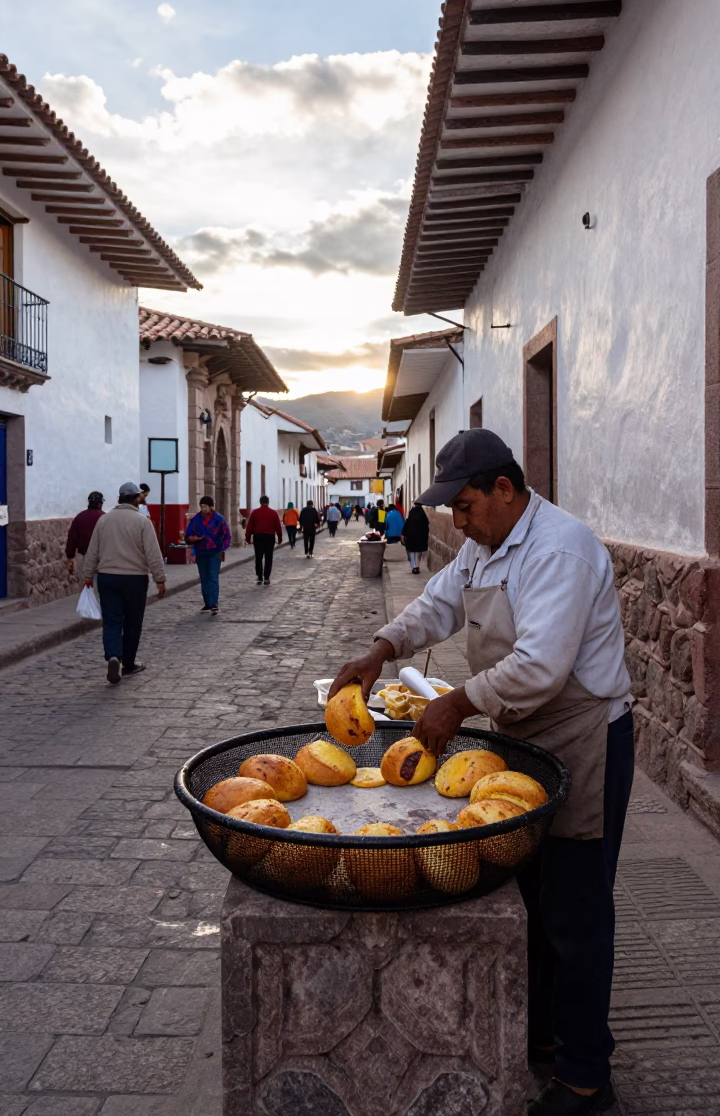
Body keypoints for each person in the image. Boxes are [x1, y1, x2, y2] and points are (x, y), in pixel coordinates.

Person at [328, 428, 634, 1116]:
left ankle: (587, 1078)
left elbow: (541, 667)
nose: (458, 523)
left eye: (465, 507)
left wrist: (458, 705)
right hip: (523, 736)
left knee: (577, 913)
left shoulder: (561, 549)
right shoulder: (485, 544)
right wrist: (382, 647)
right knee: (530, 898)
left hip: (585, 737)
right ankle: (545, 1038)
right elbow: (439, 601)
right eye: (453, 512)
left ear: (505, 489)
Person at [83, 481, 166, 684]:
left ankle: (113, 655)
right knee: (132, 621)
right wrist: (160, 579)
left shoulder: (104, 520)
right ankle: (128, 662)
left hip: (107, 578)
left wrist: (87, 575)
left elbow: (92, 549)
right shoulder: (142, 522)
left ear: (119, 498)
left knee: (111, 620)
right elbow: (153, 553)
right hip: (135, 580)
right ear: (136, 498)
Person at [185, 495, 232, 613]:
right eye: (201, 507)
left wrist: (223, 548)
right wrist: (192, 539)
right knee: (204, 578)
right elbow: (188, 535)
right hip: (201, 552)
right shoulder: (196, 519)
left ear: (210, 507)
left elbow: (227, 535)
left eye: (205, 506)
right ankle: (207, 603)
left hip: (215, 552)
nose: (203, 509)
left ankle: (214, 603)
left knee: (213, 578)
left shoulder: (219, 519)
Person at [66, 491, 105, 584]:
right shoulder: (105, 517)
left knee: (87, 586)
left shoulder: (80, 517)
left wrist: (70, 558)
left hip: (86, 557)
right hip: (103, 558)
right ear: (101, 503)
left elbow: (72, 539)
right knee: (102, 589)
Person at [245, 495, 283, 585]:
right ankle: (266, 577)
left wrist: (248, 538)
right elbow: (278, 526)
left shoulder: (254, 512)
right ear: (268, 502)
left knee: (258, 557)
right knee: (268, 557)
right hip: (270, 537)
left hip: (258, 537)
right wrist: (280, 537)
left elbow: (249, 526)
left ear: (260, 502)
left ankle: (259, 577)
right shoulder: (273, 513)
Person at [402, 501, 430, 573]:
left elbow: (406, 526)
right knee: (418, 552)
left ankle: (413, 566)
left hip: (411, 538)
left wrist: (403, 534)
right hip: (420, 538)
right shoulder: (423, 516)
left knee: (412, 552)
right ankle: (417, 567)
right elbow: (426, 528)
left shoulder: (411, 515)